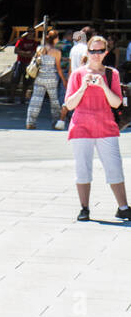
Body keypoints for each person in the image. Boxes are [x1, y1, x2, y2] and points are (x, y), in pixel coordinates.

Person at [65, 35, 130, 222]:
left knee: (114, 167)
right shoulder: (78, 74)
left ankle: (123, 207)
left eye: (100, 51)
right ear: (87, 52)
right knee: (83, 168)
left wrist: (102, 86)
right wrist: (83, 88)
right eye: (92, 51)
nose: (96, 54)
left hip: (106, 125)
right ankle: (84, 207)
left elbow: (117, 102)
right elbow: (69, 104)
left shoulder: (112, 74)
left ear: (105, 53)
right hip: (81, 126)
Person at [27, 30, 66, 130]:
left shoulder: (40, 49)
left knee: (36, 99)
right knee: (54, 101)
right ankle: (56, 122)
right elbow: (58, 68)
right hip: (52, 78)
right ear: (55, 39)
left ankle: (30, 122)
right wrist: (64, 80)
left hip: (40, 77)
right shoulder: (57, 52)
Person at [8, 27, 39, 104]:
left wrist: (22, 53)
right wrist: (27, 53)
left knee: (26, 82)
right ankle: (11, 98)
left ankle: (23, 98)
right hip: (20, 62)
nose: (31, 33)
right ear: (27, 32)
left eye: (32, 31)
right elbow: (16, 50)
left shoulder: (35, 42)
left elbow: (33, 53)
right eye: (29, 31)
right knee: (15, 80)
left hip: (29, 64)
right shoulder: (21, 40)